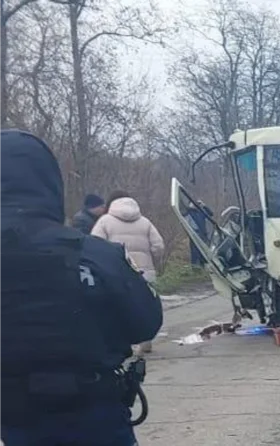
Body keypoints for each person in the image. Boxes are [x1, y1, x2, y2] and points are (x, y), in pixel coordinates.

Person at [0, 129, 162, 445]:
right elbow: (146, 321)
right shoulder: (93, 253)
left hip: (17, 421)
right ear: (49, 184)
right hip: (95, 416)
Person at [91, 193, 165, 353]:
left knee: (117, 308)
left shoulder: (104, 221)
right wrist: (153, 260)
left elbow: (94, 246)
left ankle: (122, 343)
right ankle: (146, 340)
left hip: (116, 273)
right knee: (143, 306)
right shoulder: (145, 222)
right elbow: (158, 245)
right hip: (145, 272)